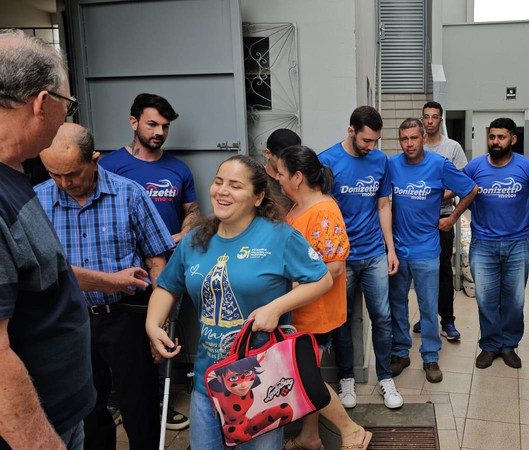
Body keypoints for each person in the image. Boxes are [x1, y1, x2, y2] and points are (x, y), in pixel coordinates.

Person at [145, 155, 335, 450]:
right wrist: (152, 324)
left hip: (260, 384)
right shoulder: (195, 240)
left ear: (258, 197)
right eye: (218, 182)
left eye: (235, 186)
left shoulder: (279, 236)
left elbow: (322, 279)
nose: (222, 191)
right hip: (208, 380)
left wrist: (276, 308)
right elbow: (168, 287)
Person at [35, 123, 175, 449]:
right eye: (55, 174)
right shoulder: (38, 200)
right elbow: (42, 271)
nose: (65, 183)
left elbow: (157, 262)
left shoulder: (130, 194)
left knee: (140, 403)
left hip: (126, 316)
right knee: (87, 408)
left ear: (94, 159)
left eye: (72, 173)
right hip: (69, 319)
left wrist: (159, 322)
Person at [0, 29, 95, 450]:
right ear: (42, 103)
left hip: (60, 414)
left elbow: (35, 274)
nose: (66, 116)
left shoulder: (15, 174)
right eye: (67, 104)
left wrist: (108, 281)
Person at [99, 93, 196, 429]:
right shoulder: (109, 166)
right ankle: (115, 404)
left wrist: (180, 235)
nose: (159, 132)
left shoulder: (178, 169)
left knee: (161, 337)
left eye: (165, 126)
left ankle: (159, 404)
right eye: (152, 124)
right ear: (134, 122)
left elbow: (193, 212)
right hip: (123, 273)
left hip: (167, 271)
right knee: (121, 342)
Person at [275, 145, 372, 450]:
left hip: (314, 312)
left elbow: (335, 266)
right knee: (309, 374)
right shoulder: (299, 206)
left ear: (298, 177)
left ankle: (351, 430)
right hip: (299, 309)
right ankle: (310, 436)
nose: (277, 178)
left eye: (281, 173)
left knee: (307, 379)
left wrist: (291, 285)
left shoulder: (323, 211)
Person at [318, 106, 403, 410]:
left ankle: (385, 378)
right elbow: (321, 210)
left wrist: (390, 249)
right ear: (351, 131)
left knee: (382, 316)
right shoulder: (327, 161)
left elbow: (383, 205)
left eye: (376, 141)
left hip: (374, 253)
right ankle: (346, 378)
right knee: (341, 320)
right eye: (367, 140)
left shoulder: (380, 160)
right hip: (340, 257)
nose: (371, 146)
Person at [387, 119, 477, 383]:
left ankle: (430, 356)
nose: (409, 144)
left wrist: (452, 218)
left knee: (428, 305)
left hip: (426, 249)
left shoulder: (439, 165)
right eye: (404, 139)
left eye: (414, 138)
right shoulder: (392, 164)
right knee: (397, 304)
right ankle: (400, 352)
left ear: (424, 138)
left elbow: (470, 189)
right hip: (398, 249)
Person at [463, 118, 529, 369]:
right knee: (486, 299)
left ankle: (509, 345)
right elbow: (462, 194)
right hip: (483, 244)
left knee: (514, 300)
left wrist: (515, 217)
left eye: (501, 137)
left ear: (513, 139)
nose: (495, 142)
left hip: (516, 244)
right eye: (492, 137)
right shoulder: (474, 167)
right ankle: (490, 345)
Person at [412, 101, 469, 341]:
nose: (430, 121)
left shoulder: (452, 147)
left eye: (435, 117)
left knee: (443, 270)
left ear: (440, 120)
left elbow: (463, 180)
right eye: (426, 116)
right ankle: (426, 317)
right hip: (418, 221)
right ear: (422, 119)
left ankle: (447, 321)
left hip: (442, 218)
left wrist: (440, 195)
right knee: (422, 272)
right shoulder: (415, 144)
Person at [263, 128, 301, 214]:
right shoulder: (257, 180)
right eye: (282, 158)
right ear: (267, 153)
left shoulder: (301, 177)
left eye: (293, 158)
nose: (288, 163)